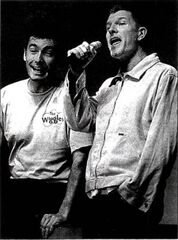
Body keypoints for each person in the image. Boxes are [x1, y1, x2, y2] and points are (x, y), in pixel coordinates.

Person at [62, 2, 177, 238]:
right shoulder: (109, 86)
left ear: (141, 33)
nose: (111, 31)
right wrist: (75, 73)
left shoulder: (164, 75)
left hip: (128, 205)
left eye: (120, 24)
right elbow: (79, 121)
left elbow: (161, 148)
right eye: (108, 27)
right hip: (95, 202)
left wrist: (130, 197)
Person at [0, 10, 93, 239]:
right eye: (33, 50)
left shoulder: (68, 96)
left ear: (57, 58)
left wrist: (63, 211)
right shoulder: (6, 95)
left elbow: (80, 158)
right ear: (24, 54)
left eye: (47, 52)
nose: (38, 60)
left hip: (59, 191)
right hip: (16, 190)